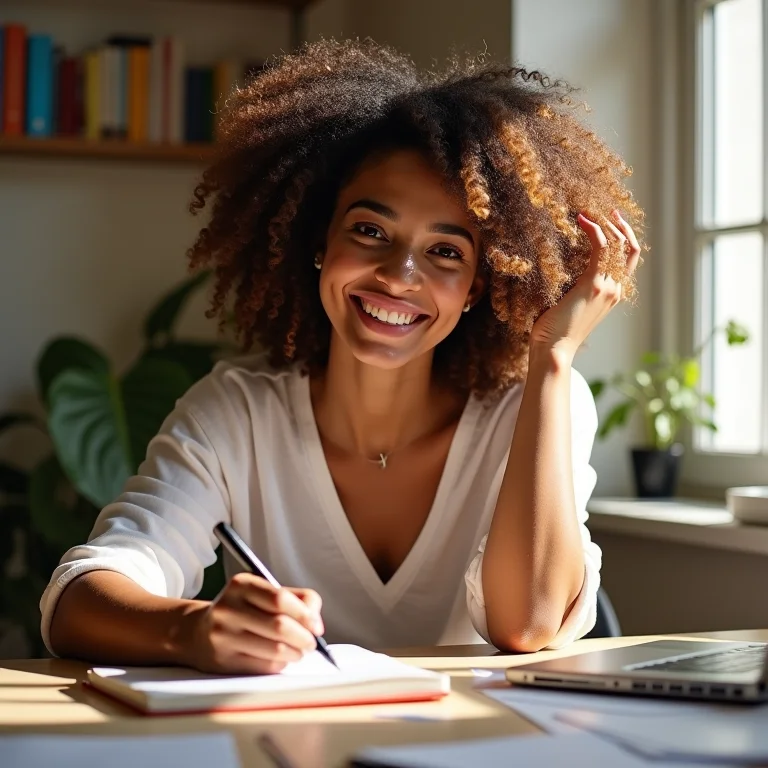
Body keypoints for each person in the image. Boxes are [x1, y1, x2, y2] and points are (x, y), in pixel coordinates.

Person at [42, 39, 644, 675]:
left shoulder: (535, 406)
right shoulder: (237, 413)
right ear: (319, 241)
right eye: (370, 231)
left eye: (446, 252)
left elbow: (527, 624)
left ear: (479, 287)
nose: (400, 275)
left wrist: (552, 356)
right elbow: (79, 600)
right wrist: (194, 629)